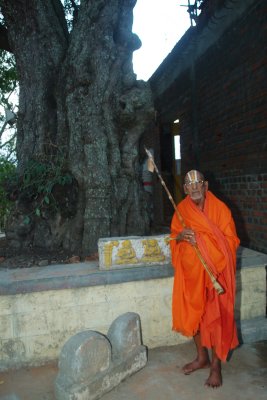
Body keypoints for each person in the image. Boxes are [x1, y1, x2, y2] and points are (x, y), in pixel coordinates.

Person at [170, 170, 240, 388]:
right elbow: (173, 238)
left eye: (198, 183)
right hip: (192, 277)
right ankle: (201, 357)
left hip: (216, 277)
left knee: (216, 319)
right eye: (190, 185)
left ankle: (216, 367)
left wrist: (201, 240)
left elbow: (231, 242)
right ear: (185, 189)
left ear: (206, 185)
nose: (195, 188)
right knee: (196, 318)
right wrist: (181, 237)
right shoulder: (180, 210)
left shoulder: (220, 209)